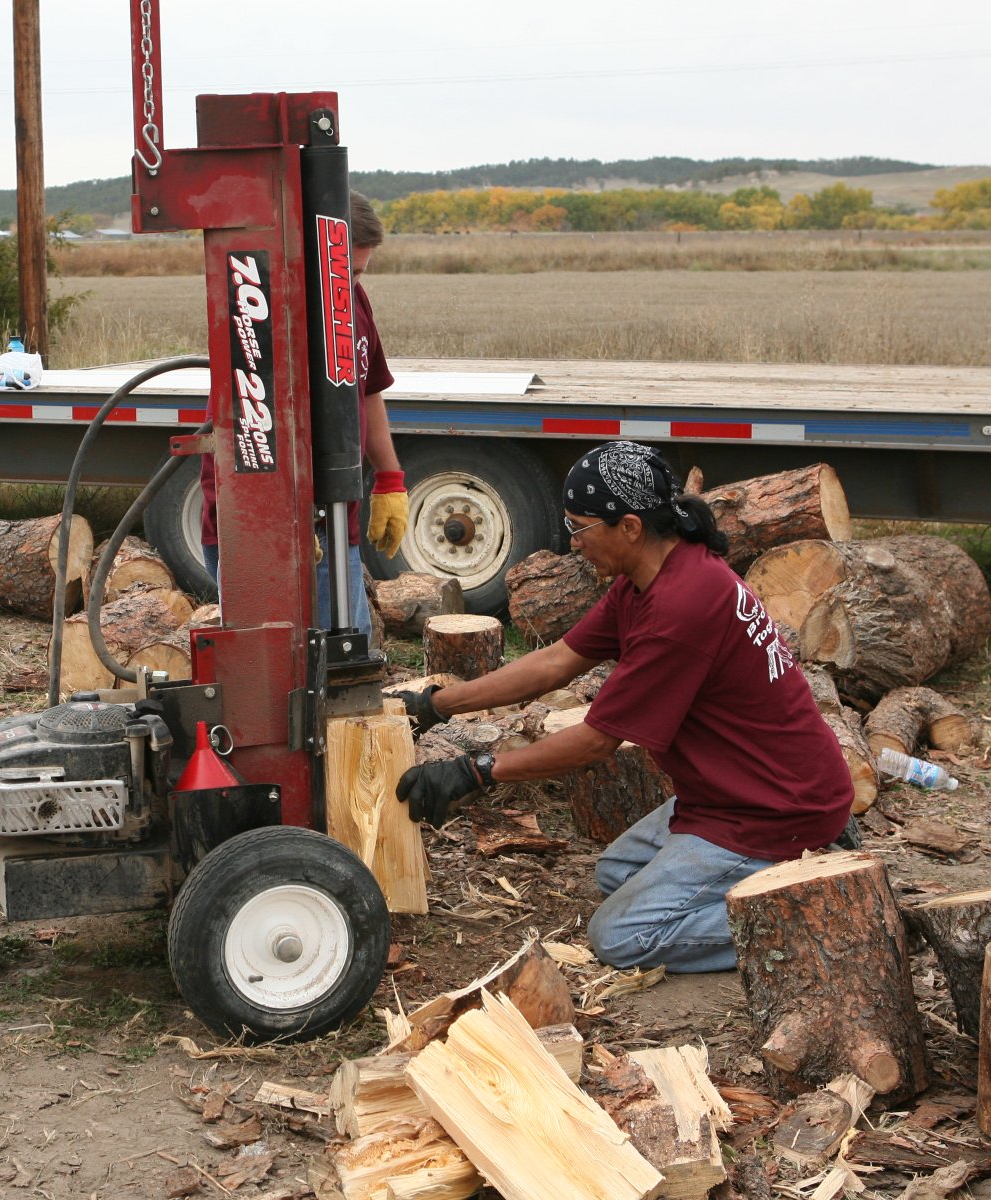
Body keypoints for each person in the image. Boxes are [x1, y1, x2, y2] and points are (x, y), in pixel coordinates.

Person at [392, 441, 852, 973]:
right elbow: (557, 661)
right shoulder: (651, 577)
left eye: (581, 528)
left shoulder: (681, 607)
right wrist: (436, 704)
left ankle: (811, 914)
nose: (574, 543)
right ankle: (775, 879)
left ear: (630, 526)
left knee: (621, 936)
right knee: (616, 873)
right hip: (727, 795)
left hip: (774, 810)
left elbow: (596, 740)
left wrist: (476, 772)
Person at [199, 191, 407, 634]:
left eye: (358, 273)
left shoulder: (353, 301)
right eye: (345, 272)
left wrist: (389, 477)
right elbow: (251, 425)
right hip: (265, 530)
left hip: (334, 517)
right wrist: (285, 514)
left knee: (348, 662)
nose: (352, 284)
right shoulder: (263, 306)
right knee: (281, 678)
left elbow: (367, 388)